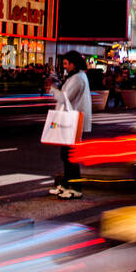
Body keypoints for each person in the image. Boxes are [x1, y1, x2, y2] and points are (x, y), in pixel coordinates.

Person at [50, 51, 91, 199]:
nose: (65, 67)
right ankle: (67, 184)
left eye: (66, 64)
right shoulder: (76, 77)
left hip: (73, 121)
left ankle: (76, 187)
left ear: (73, 63)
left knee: (70, 156)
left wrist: (53, 90)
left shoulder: (78, 78)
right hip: (71, 120)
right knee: (66, 154)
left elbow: (66, 97)